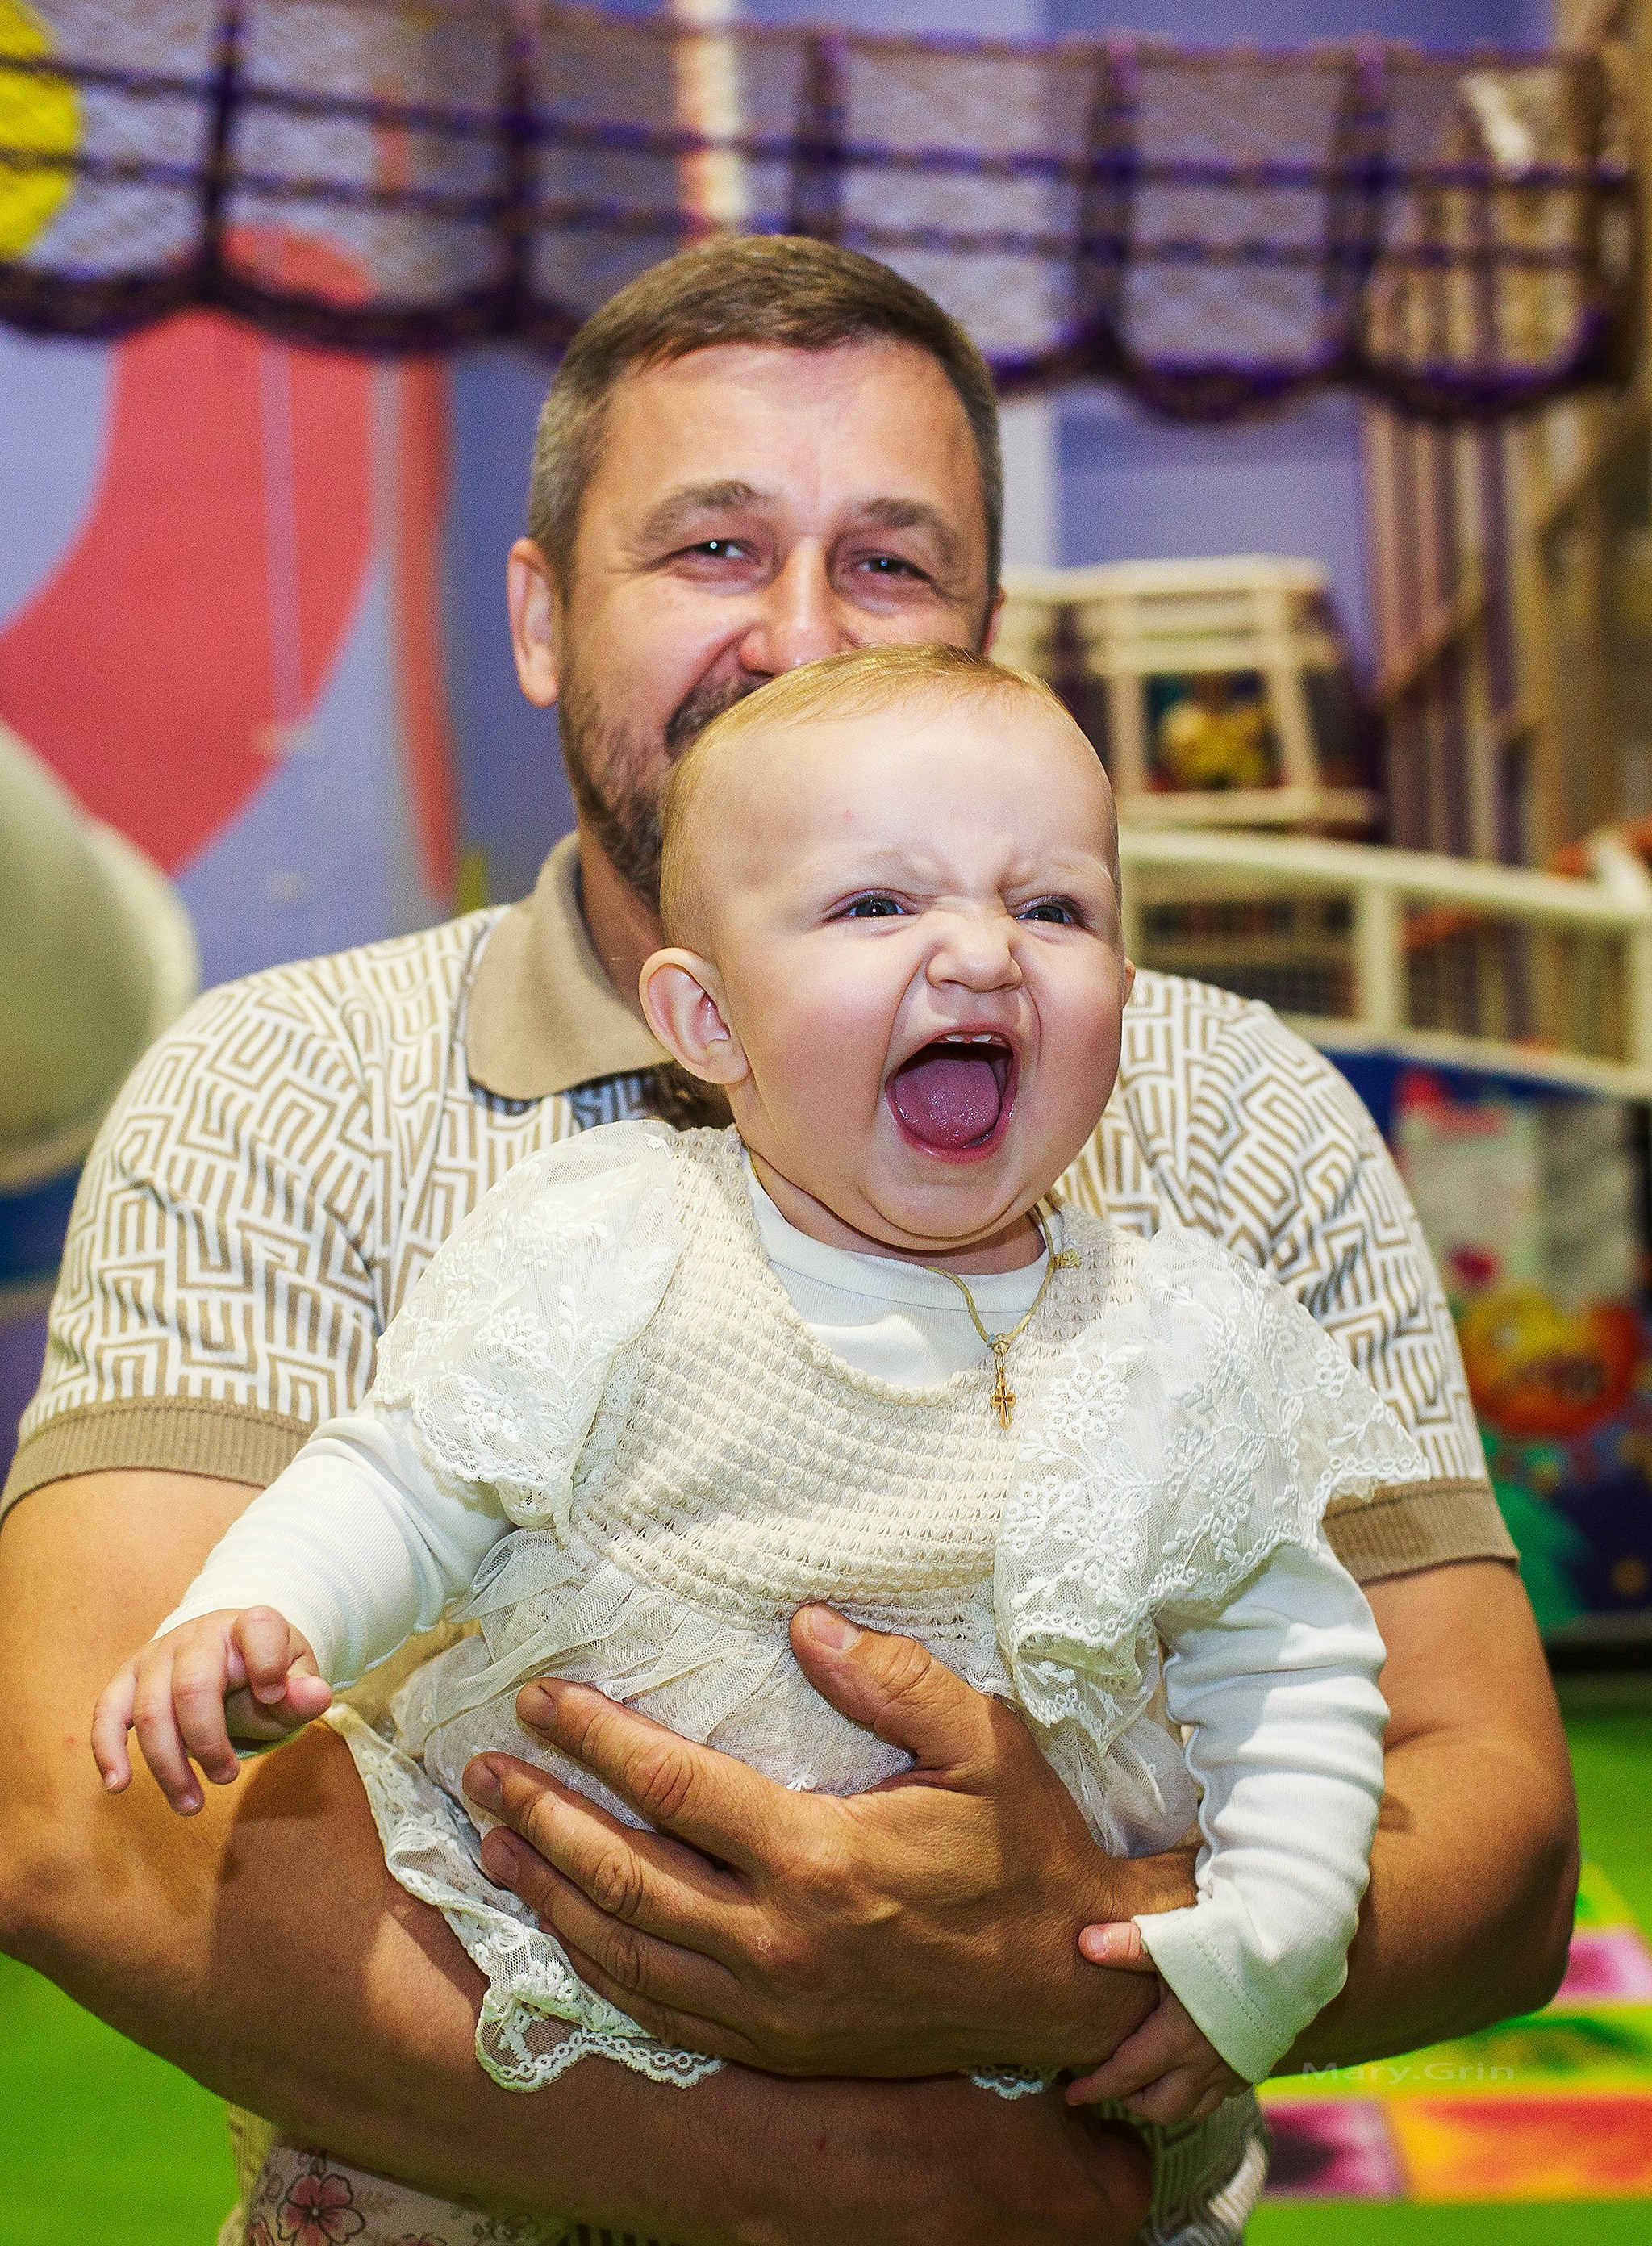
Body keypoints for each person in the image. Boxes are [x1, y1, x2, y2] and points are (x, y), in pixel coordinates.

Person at [0, 237, 1576, 2246]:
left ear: (984, 630)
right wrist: (902, 2185)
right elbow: (85, 1814)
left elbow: (1492, 1829)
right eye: (715, 550)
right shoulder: (279, 1088)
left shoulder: (1230, 1124)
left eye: (894, 563)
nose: (810, 637)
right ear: (544, 614)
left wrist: (1082, 1944)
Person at [95, 644, 1431, 2244]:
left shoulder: (1175, 1345)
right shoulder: (609, 1241)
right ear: (706, 1020)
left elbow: (1289, 1666)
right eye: (877, 906)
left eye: (1056, 909)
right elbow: (411, 1472)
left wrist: (1262, 1943)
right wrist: (259, 1619)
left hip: (978, 2065)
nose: (985, 955)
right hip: (538, 2020)